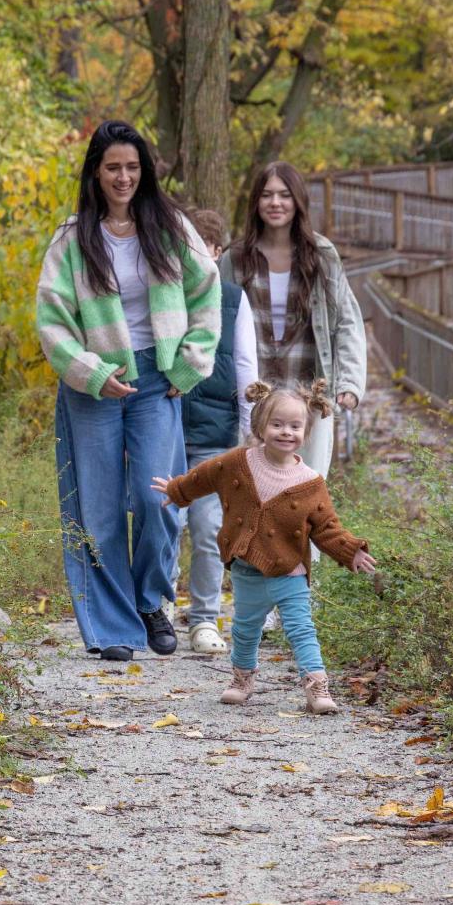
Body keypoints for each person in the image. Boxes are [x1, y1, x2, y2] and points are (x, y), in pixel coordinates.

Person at [38, 120, 222, 662]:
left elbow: (207, 293)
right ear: (96, 172)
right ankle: (113, 627)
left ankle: (149, 602)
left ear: (145, 172)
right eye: (113, 167)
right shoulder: (72, 240)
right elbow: (52, 321)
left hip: (158, 381)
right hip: (94, 385)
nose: (123, 177)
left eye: (133, 167)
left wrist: (187, 367)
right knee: (96, 511)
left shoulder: (171, 229)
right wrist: (92, 372)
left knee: (157, 498)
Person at [151, 382, 378, 715]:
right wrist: (178, 489)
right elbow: (205, 476)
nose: (286, 432)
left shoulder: (310, 482)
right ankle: (242, 679)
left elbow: (328, 528)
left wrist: (351, 550)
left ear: (306, 431)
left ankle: (317, 686)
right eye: (277, 424)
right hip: (247, 569)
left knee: (301, 628)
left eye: (295, 426)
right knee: (245, 628)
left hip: (290, 571)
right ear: (259, 426)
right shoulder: (238, 462)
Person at [224, 161, 368, 477]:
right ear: (256, 202)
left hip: (310, 398)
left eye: (284, 195)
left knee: (304, 493)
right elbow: (216, 326)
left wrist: (350, 384)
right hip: (253, 400)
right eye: (267, 195)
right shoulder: (234, 260)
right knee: (252, 492)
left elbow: (347, 320)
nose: (275, 203)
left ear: (298, 201)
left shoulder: (321, 255)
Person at [174, 207, 258, 656]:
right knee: (163, 522)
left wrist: (249, 432)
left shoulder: (232, 298)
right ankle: (158, 606)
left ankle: (204, 617)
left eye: (200, 249)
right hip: (165, 430)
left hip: (214, 435)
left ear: (217, 251)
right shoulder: (162, 294)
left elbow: (245, 364)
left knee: (208, 528)